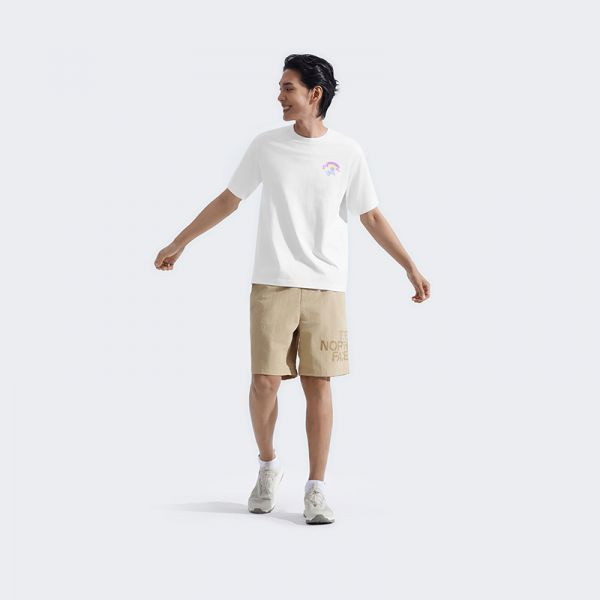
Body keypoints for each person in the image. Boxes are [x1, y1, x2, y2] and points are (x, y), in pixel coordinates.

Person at [154, 53, 430, 525]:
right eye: (280, 87)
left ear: (314, 94)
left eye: (288, 88)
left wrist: (410, 267)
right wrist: (180, 241)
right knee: (264, 383)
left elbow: (371, 215)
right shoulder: (266, 146)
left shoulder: (347, 152)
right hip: (273, 283)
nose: (279, 96)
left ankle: (315, 489)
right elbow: (229, 200)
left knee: (318, 385)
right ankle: (268, 467)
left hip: (326, 287)